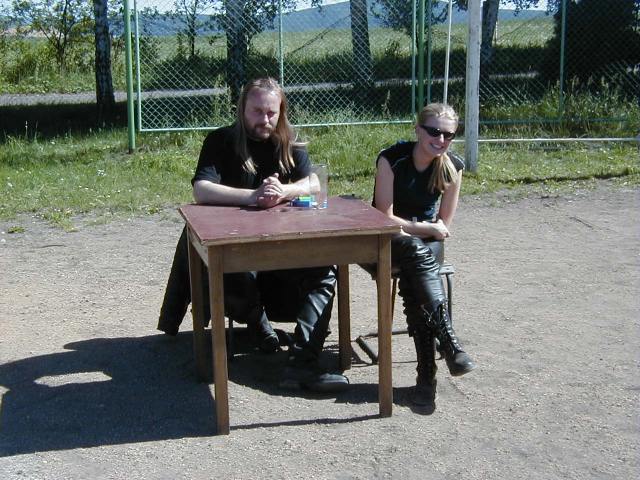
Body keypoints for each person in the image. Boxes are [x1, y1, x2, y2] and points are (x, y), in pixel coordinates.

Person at [188, 77, 348, 392]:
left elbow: (314, 183)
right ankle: (259, 327)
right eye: (257, 111)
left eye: (271, 112)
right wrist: (252, 196)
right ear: (242, 109)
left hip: (284, 249)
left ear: (281, 112)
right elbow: (201, 189)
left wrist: (283, 191)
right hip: (235, 251)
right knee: (231, 265)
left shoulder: (290, 142)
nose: (265, 119)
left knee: (325, 270)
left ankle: (302, 363)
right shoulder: (220, 140)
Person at [373, 103, 476, 409]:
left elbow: (444, 226)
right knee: (416, 258)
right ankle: (445, 349)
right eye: (433, 131)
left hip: (424, 247)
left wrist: (425, 230)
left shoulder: (453, 166)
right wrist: (424, 227)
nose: (441, 139)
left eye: (448, 134)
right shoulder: (391, 159)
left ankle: (428, 377)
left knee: (416, 277)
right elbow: (385, 218)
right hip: (385, 241)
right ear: (418, 130)